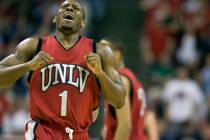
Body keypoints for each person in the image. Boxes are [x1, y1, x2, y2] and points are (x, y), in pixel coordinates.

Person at [0, 0, 126, 139]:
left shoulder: (100, 51)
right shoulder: (33, 46)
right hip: (43, 132)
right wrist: (28, 66)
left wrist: (100, 74)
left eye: (76, 8)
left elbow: (119, 101)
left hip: (78, 134)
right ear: (55, 17)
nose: (70, 9)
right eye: (65, 7)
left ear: (83, 22)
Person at [101, 39, 149, 140]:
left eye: (103, 51)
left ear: (117, 55)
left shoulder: (121, 81)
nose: (98, 55)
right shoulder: (132, 79)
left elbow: (125, 126)